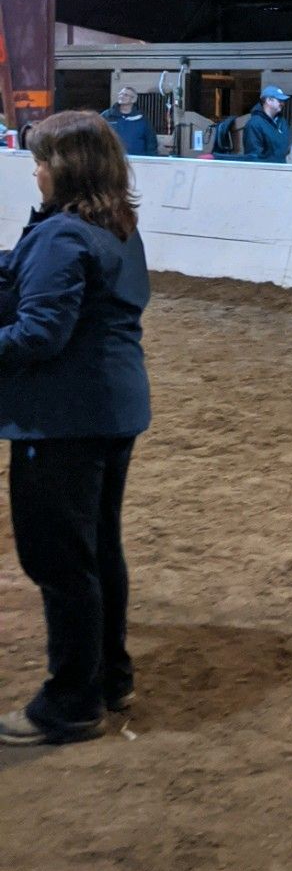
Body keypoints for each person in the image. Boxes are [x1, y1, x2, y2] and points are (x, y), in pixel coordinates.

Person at [0, 111, 151, 746]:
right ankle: (110, 676)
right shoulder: (116, 227)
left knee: (60, 562)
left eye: (42, 159)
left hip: (62, 420)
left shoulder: (63, 236)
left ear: (67, 169)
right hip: (111, 412)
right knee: (96, 551)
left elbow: (39, 333)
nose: (33, 168)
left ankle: (71, 701)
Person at [101, 86, 158, 158]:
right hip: (112, 160)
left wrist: (150, 160)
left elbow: (151, 142)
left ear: (133, 100)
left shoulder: (142, 119)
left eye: (126, 95)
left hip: (137, 160)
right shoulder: (107, 115)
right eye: (120, 94)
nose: (122, 96)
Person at [240, 85, 291, 164]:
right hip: (265, 173)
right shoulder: (254, 124)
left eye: (283, 101)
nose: (283, 103)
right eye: (279, 100)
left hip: (281, 171)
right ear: (269, 100)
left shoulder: (282, 122)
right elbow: (253, 156)